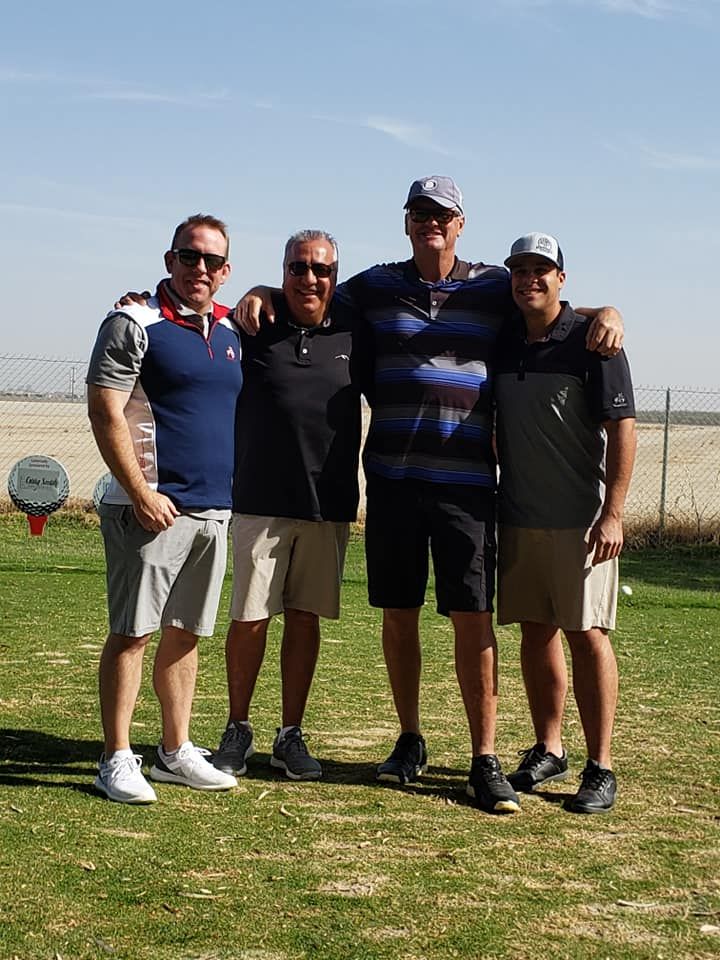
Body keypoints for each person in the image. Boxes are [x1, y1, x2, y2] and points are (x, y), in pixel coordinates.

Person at [236, 175, 624, 815]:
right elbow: (315, 296)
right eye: (419, 214)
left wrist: (604, 312)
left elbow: (547, 304)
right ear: (406, 222)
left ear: (461, 223)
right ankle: (410, 737)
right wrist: (260, 290)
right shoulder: (376, 287)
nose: (429, 224)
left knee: (472, 619)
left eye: (441, 215)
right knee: (400, 613)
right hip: (391, 480)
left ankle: (483, 758)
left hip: (468, 488)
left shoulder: (494, 285)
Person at [86, 214, 242, 804]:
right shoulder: (133, 322)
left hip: (212, 510)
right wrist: (141, 493)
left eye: (211, 261)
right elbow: (105, 412)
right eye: (188, 256)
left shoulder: (230, 331)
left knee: (186, 633)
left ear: (225, 271)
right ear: (169, 260)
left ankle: (175, 751)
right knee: (132, 632)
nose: (198, 268)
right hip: (149, 508)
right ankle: (116, 757)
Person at [211, 230, 365, 781]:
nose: (309, 278)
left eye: (321, 269)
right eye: (298, 268)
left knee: (304, 620)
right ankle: (237, 729)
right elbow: (198, 313)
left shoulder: (355, 332)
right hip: (259, 499)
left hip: (327, 505)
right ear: (282, 272)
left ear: (335, 276)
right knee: (250, 618)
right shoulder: (254, 326)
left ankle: (289, 734)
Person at [495, 232, 636, 814]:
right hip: (519, 519)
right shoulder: (502, 338)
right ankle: (549, 747)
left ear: (561, 277)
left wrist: (614, 513)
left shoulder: (594, 343)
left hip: (582, 523)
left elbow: (622, 430)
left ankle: (600, 765)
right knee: (535, 631)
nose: (531, 279)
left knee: (588, 636)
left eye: (542, 270)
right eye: (521, 270)